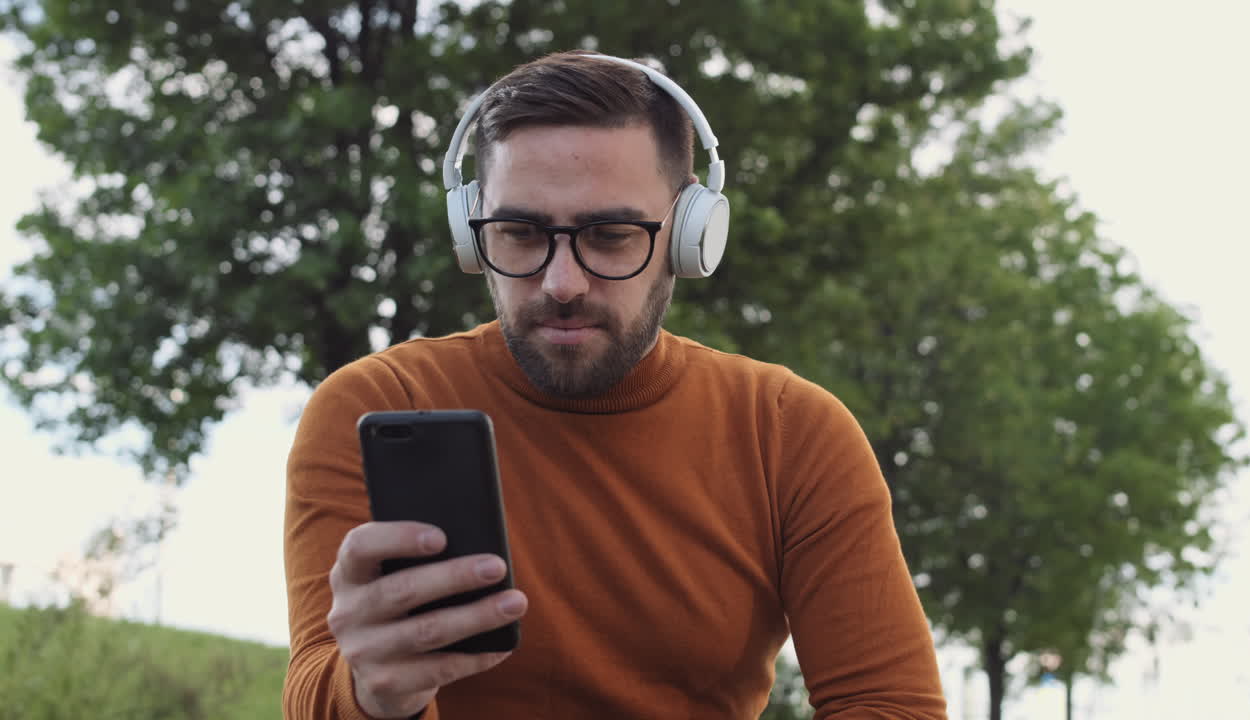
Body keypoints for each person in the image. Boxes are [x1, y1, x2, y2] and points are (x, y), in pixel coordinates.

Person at [283, 50, 948, 720]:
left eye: (610, 235)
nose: (562, 283)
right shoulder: (376, 406)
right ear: (471, 229)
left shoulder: (789, 432)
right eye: (519, 233)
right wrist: (373, 695)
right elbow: (314, 687)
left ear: (691, 236)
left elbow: (891, 707)